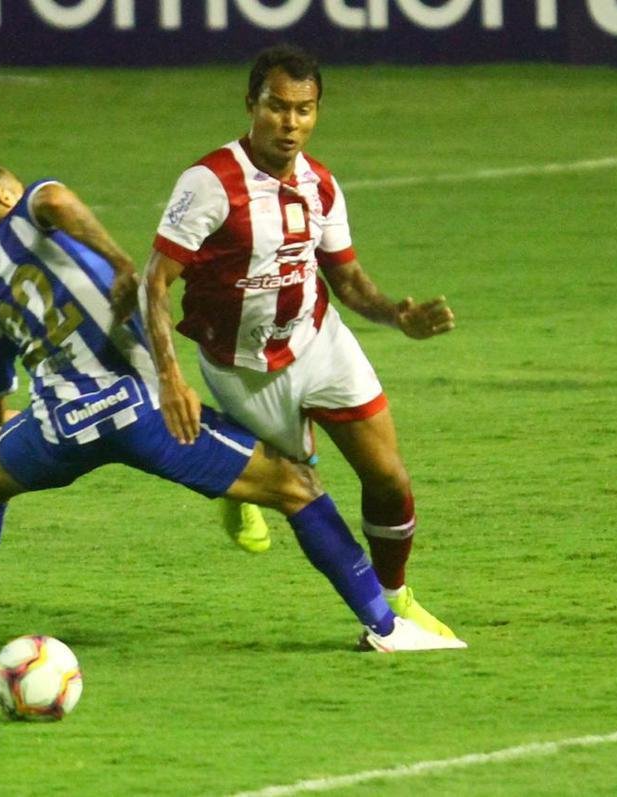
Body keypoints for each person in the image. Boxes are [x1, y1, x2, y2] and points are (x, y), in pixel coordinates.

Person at [0, 162, 464, 653]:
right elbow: (56, 199)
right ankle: (386, 629)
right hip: (143, 413)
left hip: (61, 427)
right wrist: (122, 262)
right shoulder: (34, 209)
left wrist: (20, 427)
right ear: (6, 197)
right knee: (296, 486)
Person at [143, 44, 461, 640]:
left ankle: (397, 600)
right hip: (243, 367)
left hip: (318, 342)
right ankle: (238, 482)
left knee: (389, 477)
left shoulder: (322, 185)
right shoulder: (210, 183)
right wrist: (169, 375)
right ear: (251, 104)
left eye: (304, 110)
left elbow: (346, 280)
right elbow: (153, 282)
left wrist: (398, 316)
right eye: (277, 107)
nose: (290, 124)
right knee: (298, 482)